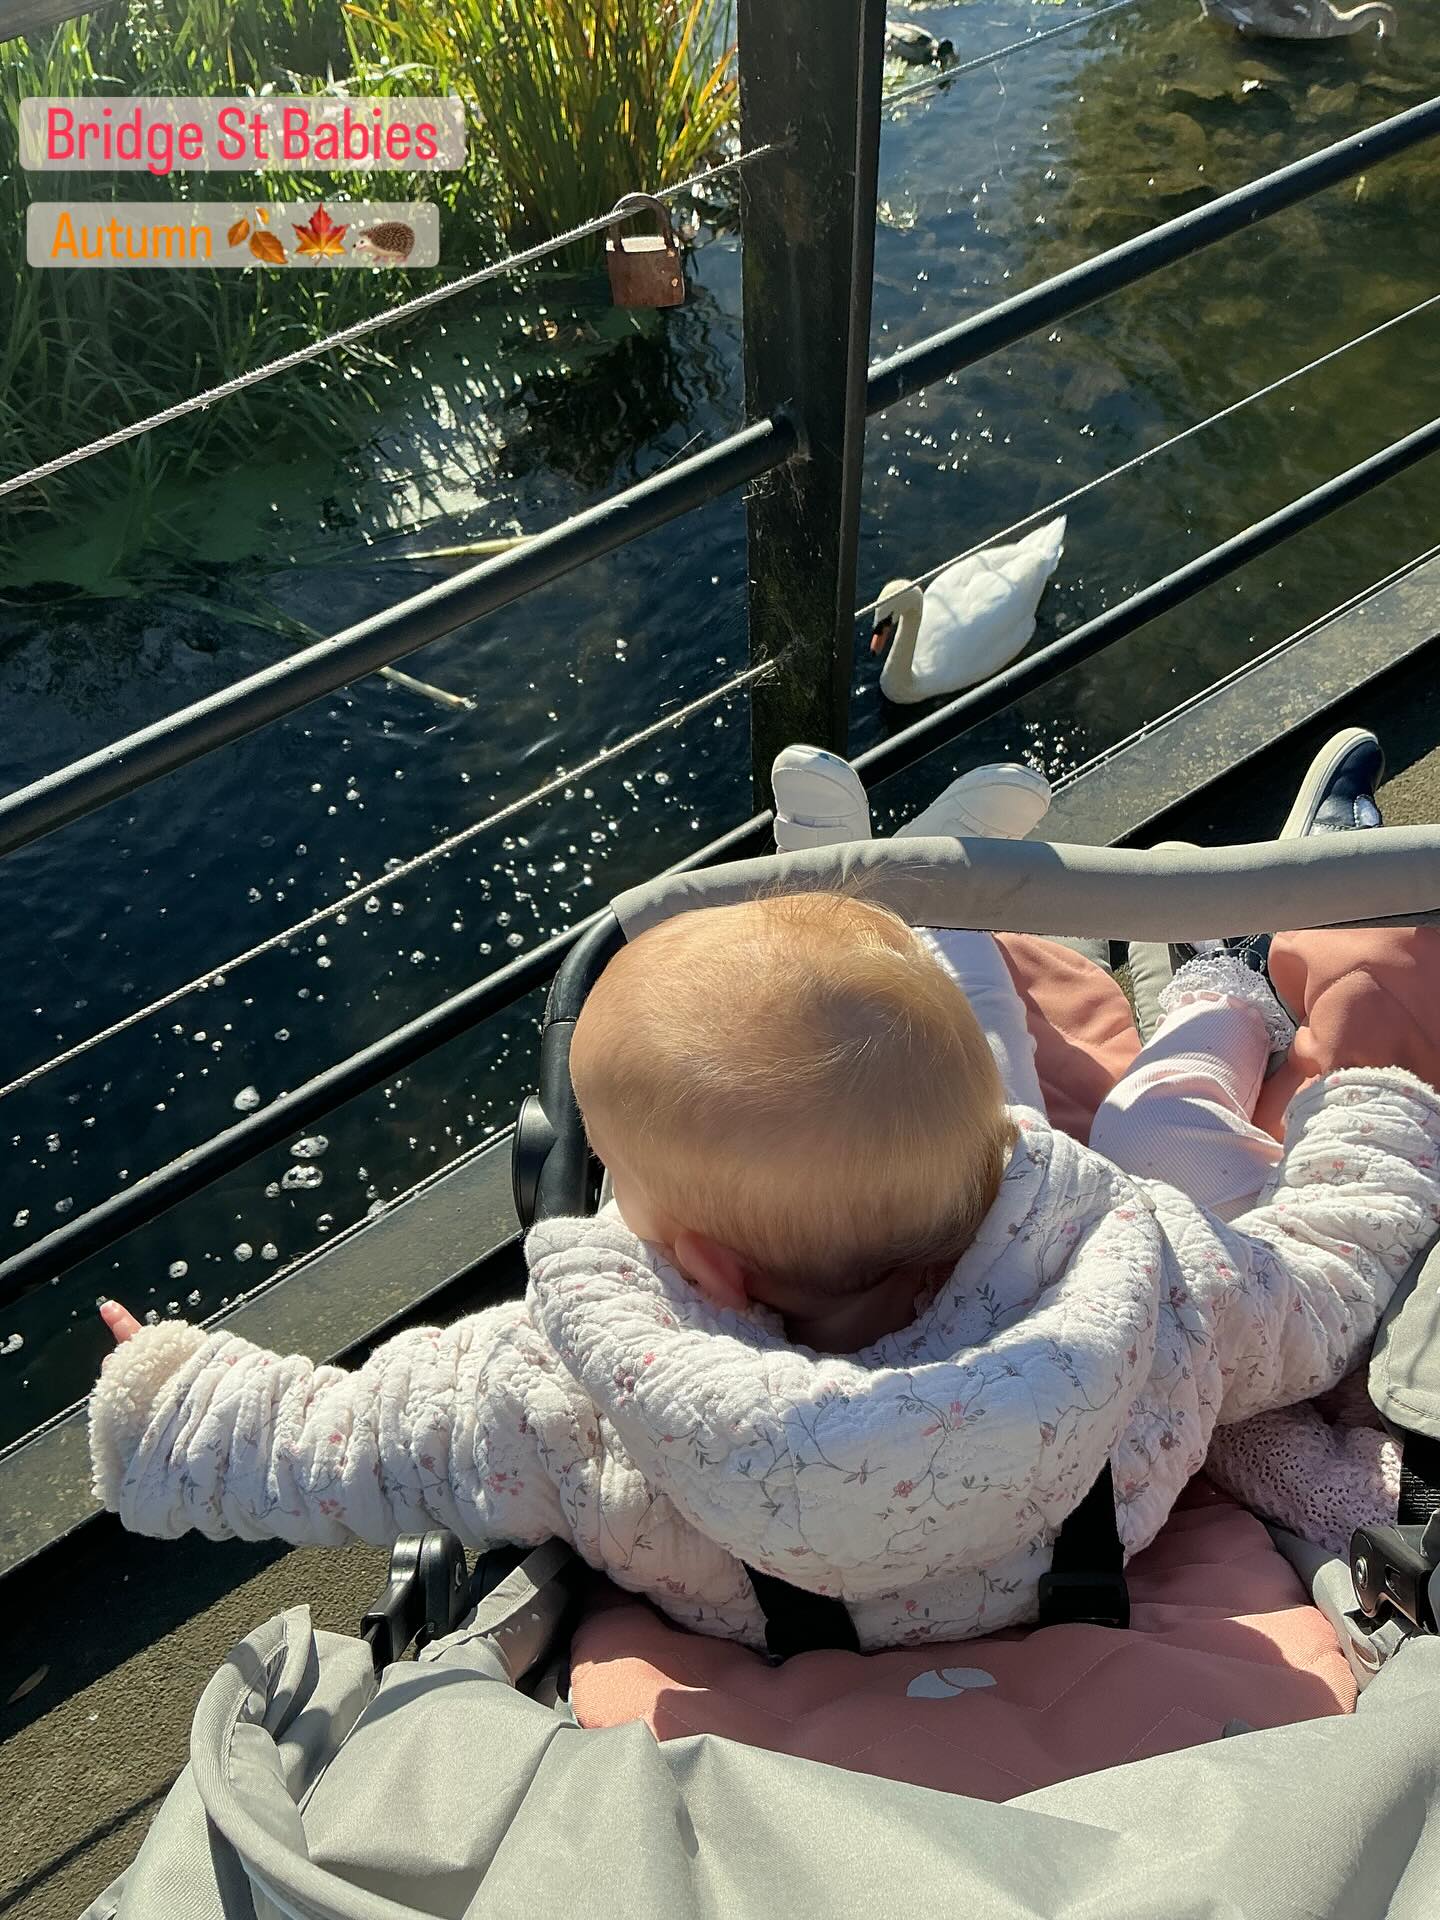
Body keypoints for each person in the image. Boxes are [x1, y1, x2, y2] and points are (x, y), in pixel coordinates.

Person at [90, 761, 1440, 1649]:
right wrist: (1375, 1122)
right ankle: (1200, 988)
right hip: (1078, 1510)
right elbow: (1318, 1291)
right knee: (1147, 1123)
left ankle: (882, 876)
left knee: (979, 1052)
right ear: (991, 1166)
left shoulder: (576, 1400)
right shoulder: (1157, 1297)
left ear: (709, 1269)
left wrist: (168, 1399)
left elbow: (351, 1441)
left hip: (788, 1608)